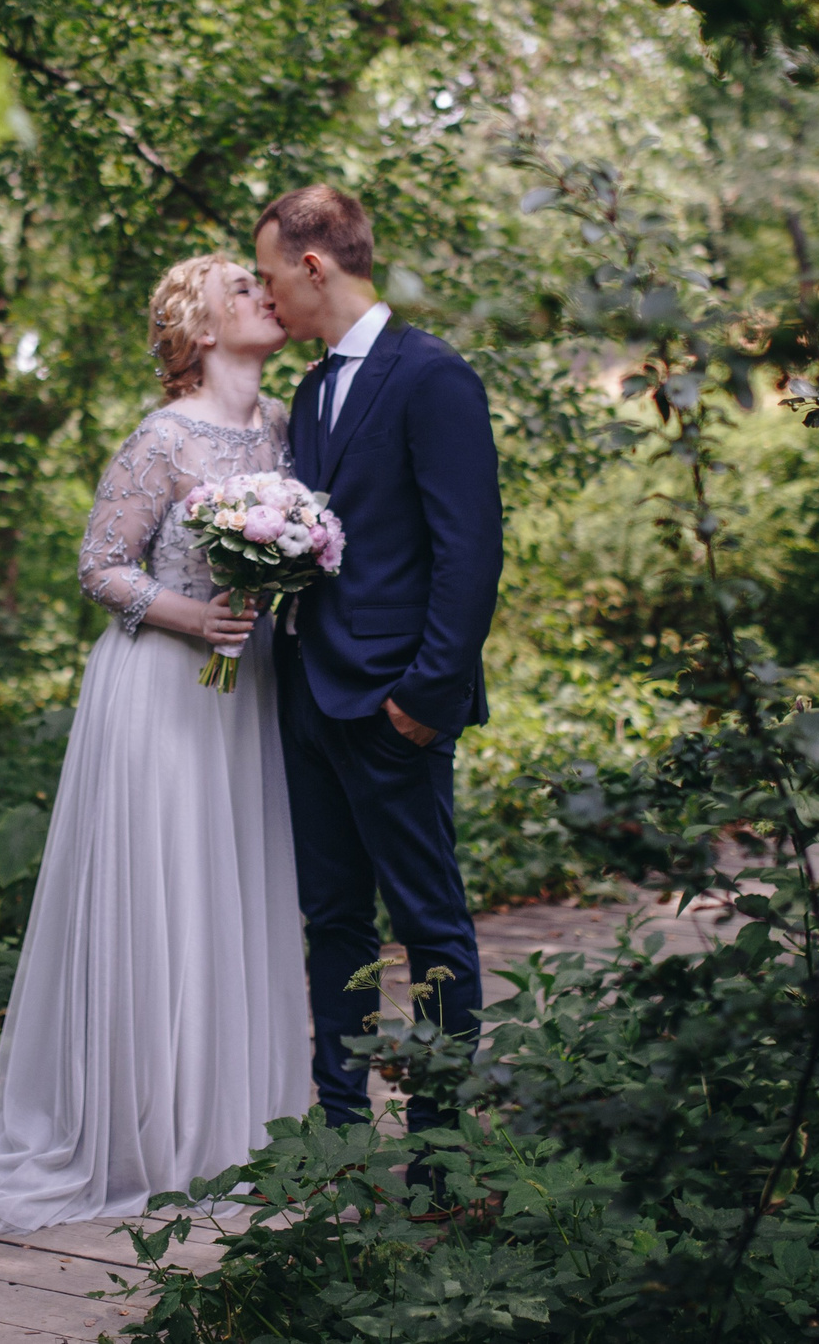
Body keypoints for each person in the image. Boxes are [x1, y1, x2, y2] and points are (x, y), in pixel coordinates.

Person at [0, 254, 307, 1232]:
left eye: (263, 285)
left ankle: (230, 1129)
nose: (264, 294)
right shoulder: (160, 438)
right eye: (240, 290)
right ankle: (141, 1136)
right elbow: (99, 565)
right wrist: (191, 616)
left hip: (244, 694)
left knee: (231, 893)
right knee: (166, 893)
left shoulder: (284, 429)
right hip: (163, 692)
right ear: (201, 331)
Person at [252, 185, 504, 1156]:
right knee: (333, 925)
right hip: (309, 696)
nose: (268, 295)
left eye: (272, 274)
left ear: (314, 266)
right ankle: (343, 1142)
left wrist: (424, 699)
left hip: (397, 704)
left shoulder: (433, 377)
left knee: (430, 928)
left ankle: (438, 1155)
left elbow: (468, 552)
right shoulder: (312, 389)